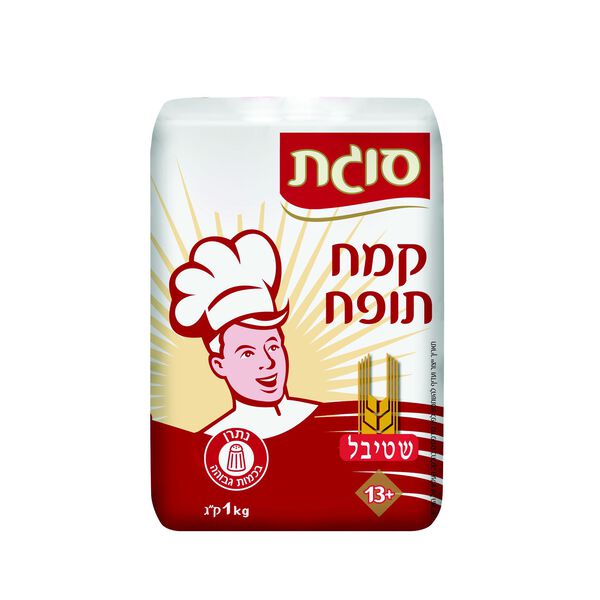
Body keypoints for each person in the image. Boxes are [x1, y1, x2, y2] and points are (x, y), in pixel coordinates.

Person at [169, 229, 317, 439]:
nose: (268, 362)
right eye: (248, 353)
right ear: (219, 365)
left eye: (273, 346)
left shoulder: (324, 416)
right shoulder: (210, 441)